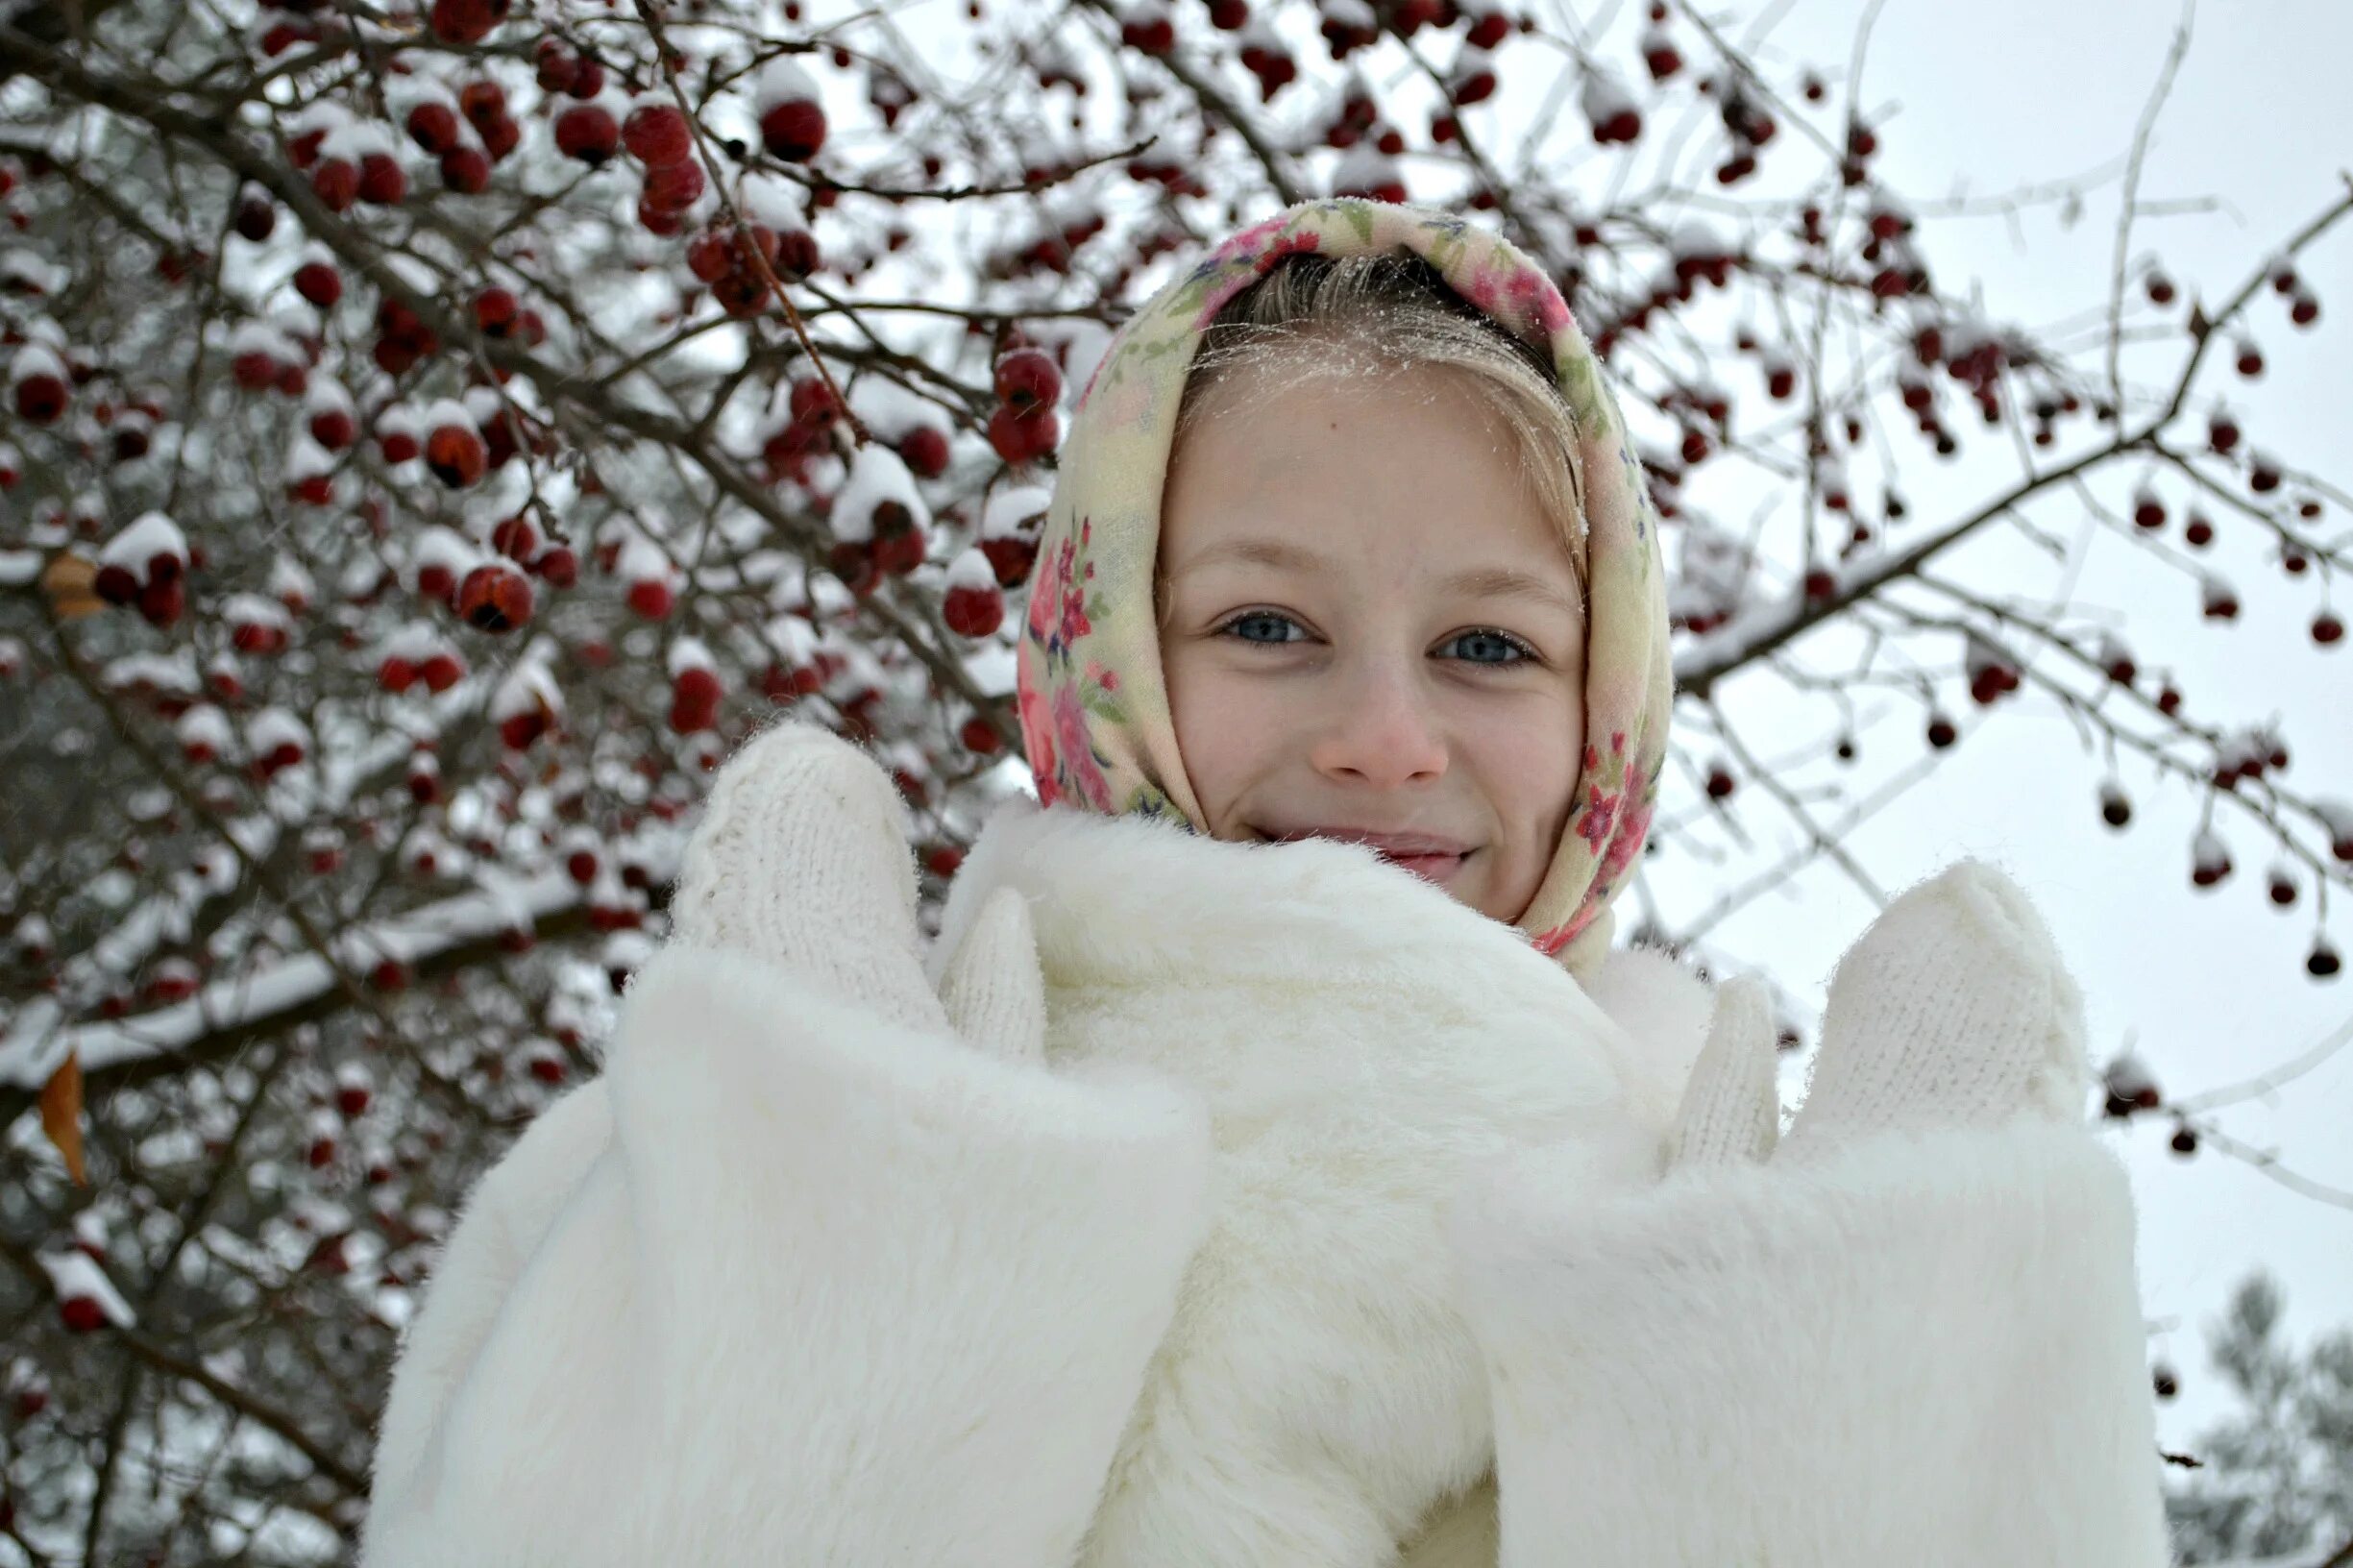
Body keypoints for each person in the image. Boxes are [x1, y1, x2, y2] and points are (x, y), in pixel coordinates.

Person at [358, 199, 2175, 1567]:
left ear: (1608, 709)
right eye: (1264, 623)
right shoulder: (743, 1143)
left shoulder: (1754, 1234)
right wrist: (829, 1332)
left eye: (1484, 645)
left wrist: (1837, 1461)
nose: (1385, 736)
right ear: (1101, 657)